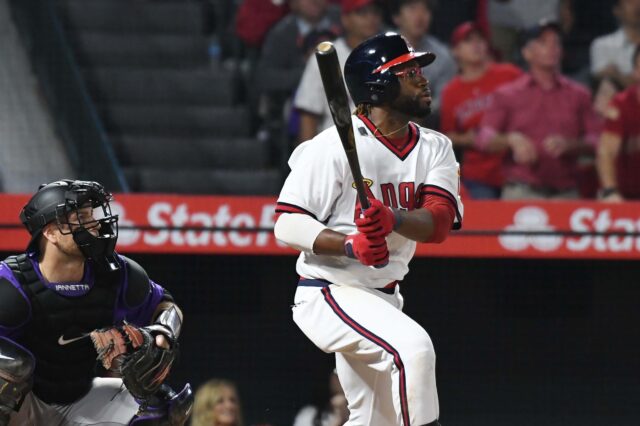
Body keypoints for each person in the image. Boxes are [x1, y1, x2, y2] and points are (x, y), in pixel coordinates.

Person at [275, 32, 463, 425]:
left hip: (384, 296)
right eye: (408, 72)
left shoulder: (435, 147)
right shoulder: (330, 146)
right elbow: (287, 224)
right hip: (329, 291)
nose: (423, 79)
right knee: (413, 351)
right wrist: (349, 244)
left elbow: (439, 222)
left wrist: (393, 218)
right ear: (379, 85)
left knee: (376, 419)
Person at [0, 179, 192, 425]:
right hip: (22, 404)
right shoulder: (11, 282)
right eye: (81, 216)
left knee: (163, 408)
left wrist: (164, 331)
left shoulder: (117, 272)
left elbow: (166, 304)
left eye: (91, 215)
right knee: (12, 367)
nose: (94, 225)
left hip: (81, 397)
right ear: (50, 233)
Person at [476, 20, 600, 200]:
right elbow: (483, 137)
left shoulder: (579, 94)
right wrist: (511, 139)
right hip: (521, 191)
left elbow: (596, 140)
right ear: (527, 53)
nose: (552, 47)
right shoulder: (508, 94)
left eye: (556, 42)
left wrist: (571, 145)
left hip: (566, 193)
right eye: (543, 42)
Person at [440, 21, 522, 198]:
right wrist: (467, 139)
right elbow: (448, 135)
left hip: (517, 168)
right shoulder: (451, 91)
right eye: (468, 41)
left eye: (480, 40)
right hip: (479, 175)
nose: (476, 45)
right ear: (455, 51)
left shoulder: (509, 74)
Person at [293, 0, 383, 143]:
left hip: (384, 150)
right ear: (345, 19)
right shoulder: (326, 57)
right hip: (338, 148)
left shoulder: (390, 55)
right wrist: (309, 162)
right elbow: (309, 115)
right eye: (362, 13)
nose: (370, 18)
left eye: (375, 12)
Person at [391, 0, 457, 114]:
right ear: (396, 17)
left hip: (425, 123)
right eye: (412, 8)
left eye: (426, 9)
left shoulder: (443, 56)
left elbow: (443, 102)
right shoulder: (381, 49)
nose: (420, 16)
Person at [596, 45, 640, 201]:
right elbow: (607, 151)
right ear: (635, 72)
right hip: (626, 196)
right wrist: (610, 190)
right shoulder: (622, 104)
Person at [590, 0, 640, 90]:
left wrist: (616, 73)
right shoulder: (602, 45)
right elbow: (601, 79)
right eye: (630, 2)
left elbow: (612, 74)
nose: (637, 6)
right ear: (617, 10)